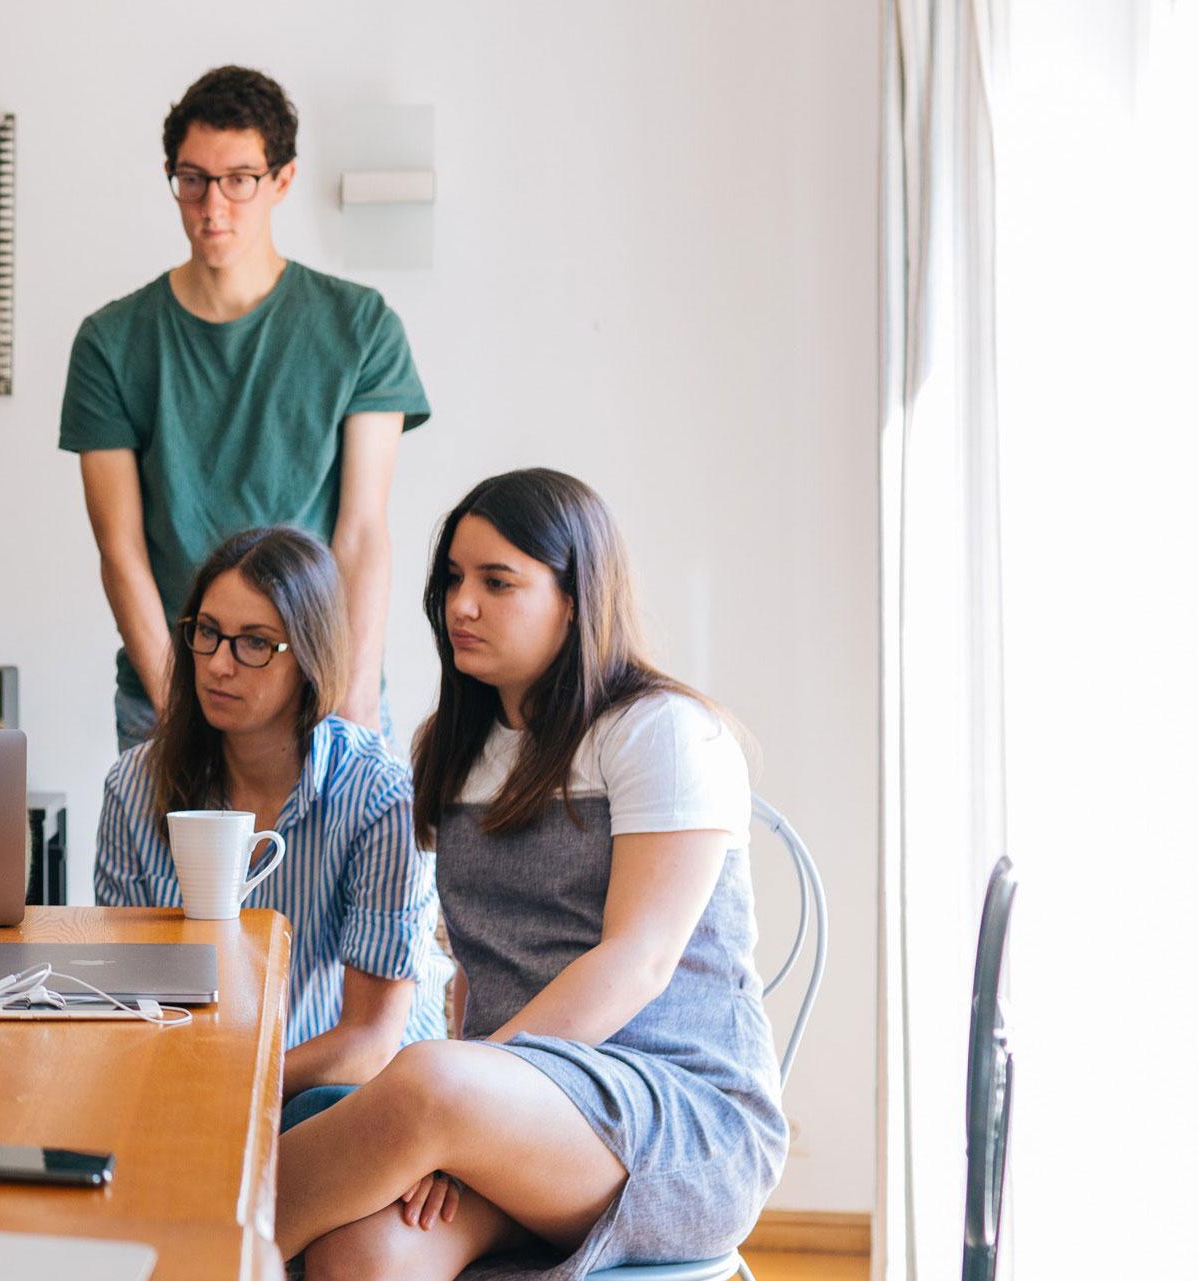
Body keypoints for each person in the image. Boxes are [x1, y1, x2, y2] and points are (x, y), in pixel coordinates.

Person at [275, 470, 781, 1280]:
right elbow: (478, 965)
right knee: (360, 1251)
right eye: (452, 580)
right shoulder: (453, 746)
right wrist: (459, 1119)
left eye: (496, 582)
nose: (459, 605)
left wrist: (463, 1095)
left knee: (422, 1079)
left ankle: (174, 1249)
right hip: (508, 1113)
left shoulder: (662, 732)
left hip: (678, 1124)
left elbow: (638, 961)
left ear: (576, 596)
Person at [62, 65, 429, 748]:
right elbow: (121, 548)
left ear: (282, 180)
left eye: (239, 179)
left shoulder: (361, 327)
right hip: (170, 688)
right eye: (192, 178)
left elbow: (361, 533)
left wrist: (350, 703)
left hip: (319, 689)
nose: (212, 205)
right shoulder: (111, 343)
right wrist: (179, 711)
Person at [91, 527, 445, 1118]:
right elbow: (128, 998)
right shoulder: (133, 786)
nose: (219, 666)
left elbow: (369, 1043)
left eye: (255, 643)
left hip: (346, 1096)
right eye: (207, 634)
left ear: (309, 656)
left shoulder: (379, 795)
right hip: (189, 1080)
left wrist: (225, 1086)